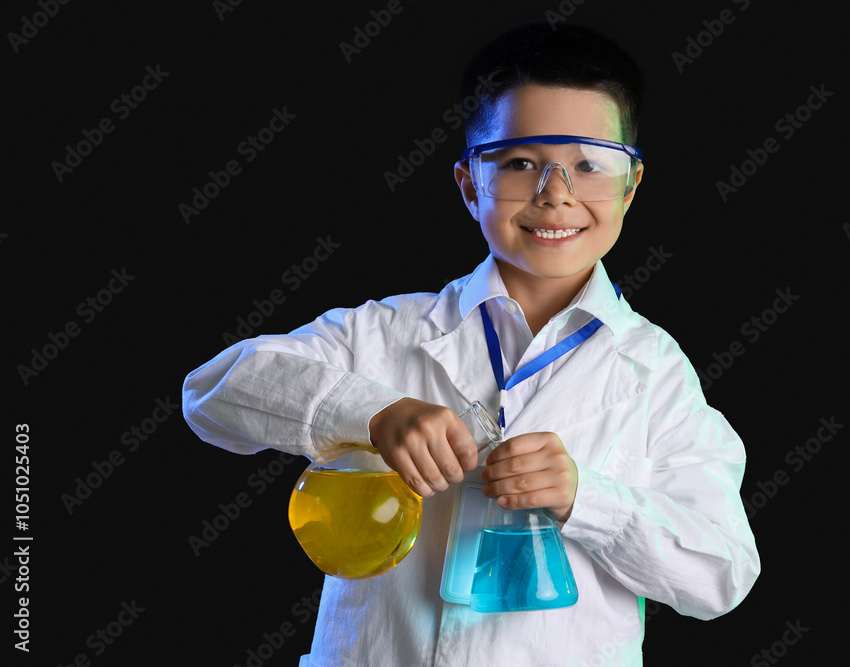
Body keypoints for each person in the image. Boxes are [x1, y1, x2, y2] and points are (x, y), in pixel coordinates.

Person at [182, 22, 760, 666]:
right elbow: (211, 393)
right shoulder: (389, 332)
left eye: (589, 165)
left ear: (631, 185)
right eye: (520, 164)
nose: (556, 195)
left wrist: (585, 498)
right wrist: (374, 414)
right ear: (468, 184)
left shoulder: (654, 372)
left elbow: (720, 577)